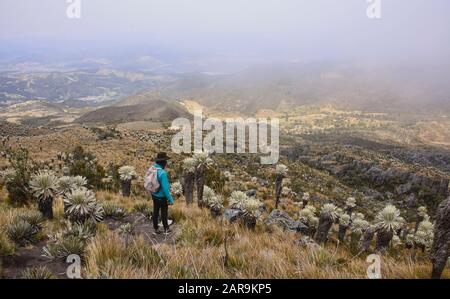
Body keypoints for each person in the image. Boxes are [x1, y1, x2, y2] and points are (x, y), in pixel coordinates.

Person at [151, 152, 174, 235]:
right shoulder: (163, 173)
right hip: (162, 196)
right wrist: (170, 199)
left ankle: (156, 229)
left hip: (154, 194)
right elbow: (165, 188)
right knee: (164, 213)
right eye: (166, 162)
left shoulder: (153, 168)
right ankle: (166, 229)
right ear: (164, 162)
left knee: (155, 211)